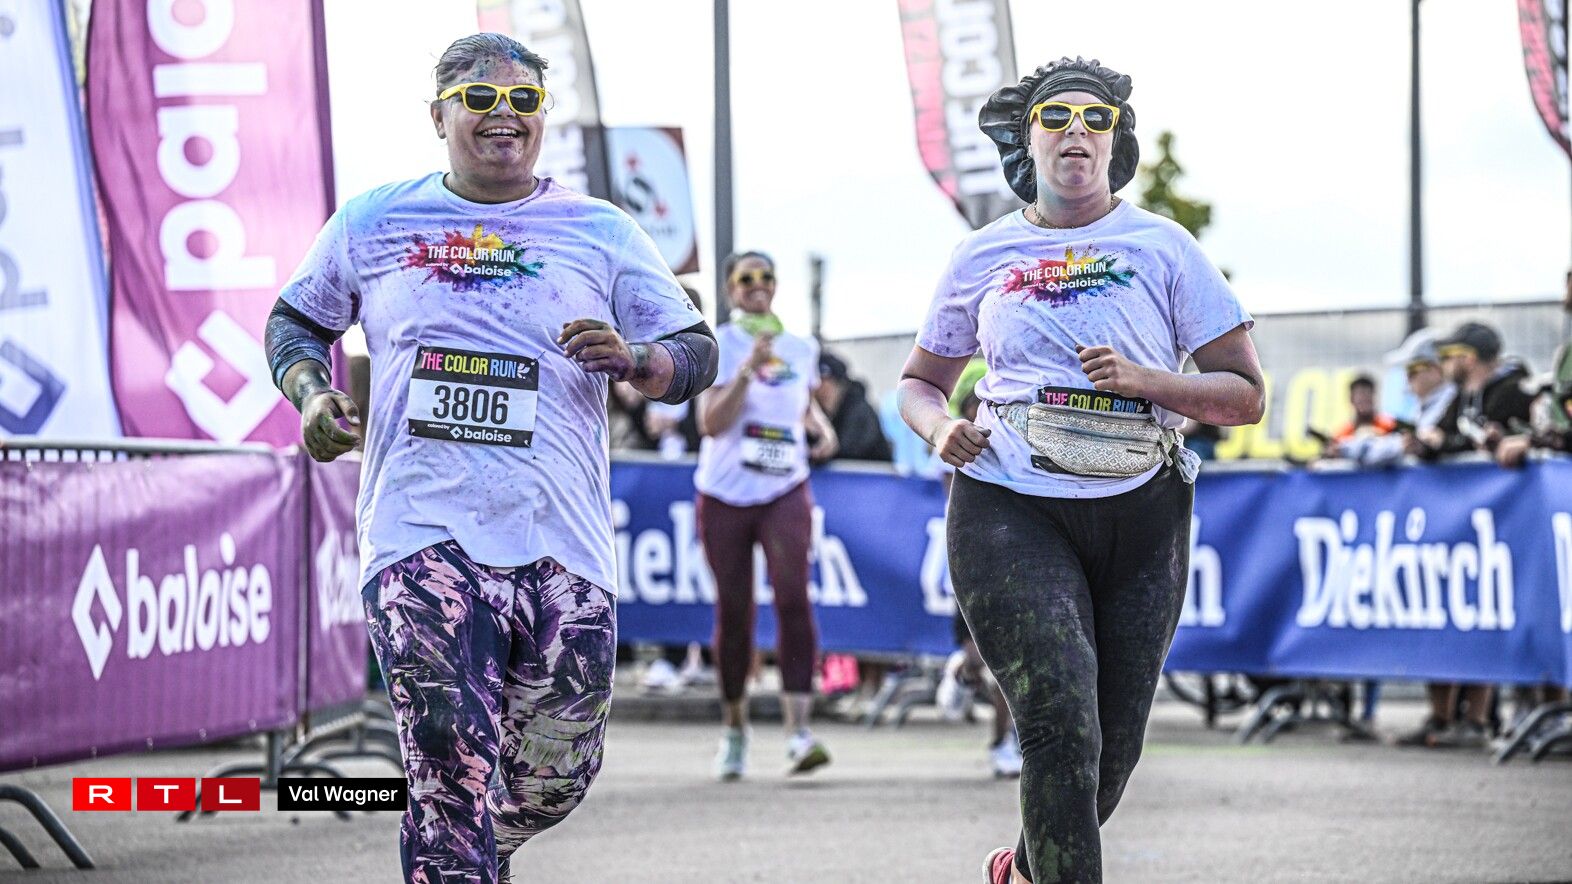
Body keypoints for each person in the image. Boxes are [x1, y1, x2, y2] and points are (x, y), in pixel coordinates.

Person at [263, 33, 716, 884]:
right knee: (446, 754)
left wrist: (639, 360)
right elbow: (295, 320)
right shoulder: (374, 221)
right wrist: (312, 394)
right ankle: (454, 845)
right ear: (438, 117)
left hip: (561, 542)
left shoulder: (601, 231)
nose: (502, 114)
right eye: (478, 98)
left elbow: (696, 350)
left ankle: (471, 845)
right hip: (420, 531)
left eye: (523, 100)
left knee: (556, 776)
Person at [899, 57, 1263, 884]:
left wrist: (1148, 382)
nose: (1077, 131)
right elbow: (918, 382)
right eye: (1056, 116)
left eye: (1096, 119)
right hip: (1010, 504)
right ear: (1027, 139)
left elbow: (1246, 396)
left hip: (1142, 511)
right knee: (1060, 727)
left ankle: (1021, 872)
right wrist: (939, 427)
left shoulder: (1164, 246)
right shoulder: (982, 253)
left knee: (1111, 752)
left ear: (1114, 141)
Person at [696, 250, 838, 781]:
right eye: (745, 278)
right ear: (730, 289)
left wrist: (819, 425)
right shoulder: (718, 344)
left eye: (766, 277)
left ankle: (799, 734)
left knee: (794, 599)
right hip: (726, 493)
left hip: (785, 487)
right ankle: (735, 731)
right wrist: (745, 372)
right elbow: (710, 423)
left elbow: (798, 402)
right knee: (735, 611)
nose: (757, 285)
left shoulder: (800, 347)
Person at [815, 351, 894, 461]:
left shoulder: (860, 412)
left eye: (827, 387)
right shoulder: (817, 414)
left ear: (841, 386)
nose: (822, 392)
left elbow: (849, 451)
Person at [1322, 374, 1397, 463]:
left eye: (1368, 395)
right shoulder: (1341, 435)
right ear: (1351, 399)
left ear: (1374, 398)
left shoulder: (1389, 427)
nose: (1364, 399)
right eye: (1360, 396)